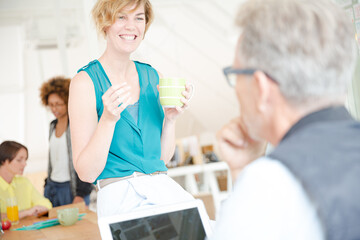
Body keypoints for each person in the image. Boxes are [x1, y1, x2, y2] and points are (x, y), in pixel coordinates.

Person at [213, 0, 360, 239]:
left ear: (261, 87)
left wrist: (249, 178)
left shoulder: (271, 182)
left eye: (236, 74)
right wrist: (243, 170)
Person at [68, 0, 194, 218]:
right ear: (105, 23)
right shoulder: (84, 83)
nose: (131, 26)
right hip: (121, 199)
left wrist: (170, 120)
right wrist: (107, 119)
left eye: (139, 18)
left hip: (163, 191)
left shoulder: (155, 77)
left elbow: (161, 160)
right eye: (121, 17)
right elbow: (87, 173)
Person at [40, 76, 93, 207]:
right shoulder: (52, 125)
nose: (54, 109)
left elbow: (88, 160)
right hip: (52, 187)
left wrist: (81, 193)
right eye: (51, 104)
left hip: (72, 189)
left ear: (68, 101)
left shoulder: (78, 125)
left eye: (58, 104)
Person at [0, 141, 52, 219]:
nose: (24, 164)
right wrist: (26, 213)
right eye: (19, 160)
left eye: (25, 160)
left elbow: (46, 204)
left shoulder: (24, 182)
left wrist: (38, 209)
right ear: (4, 161)